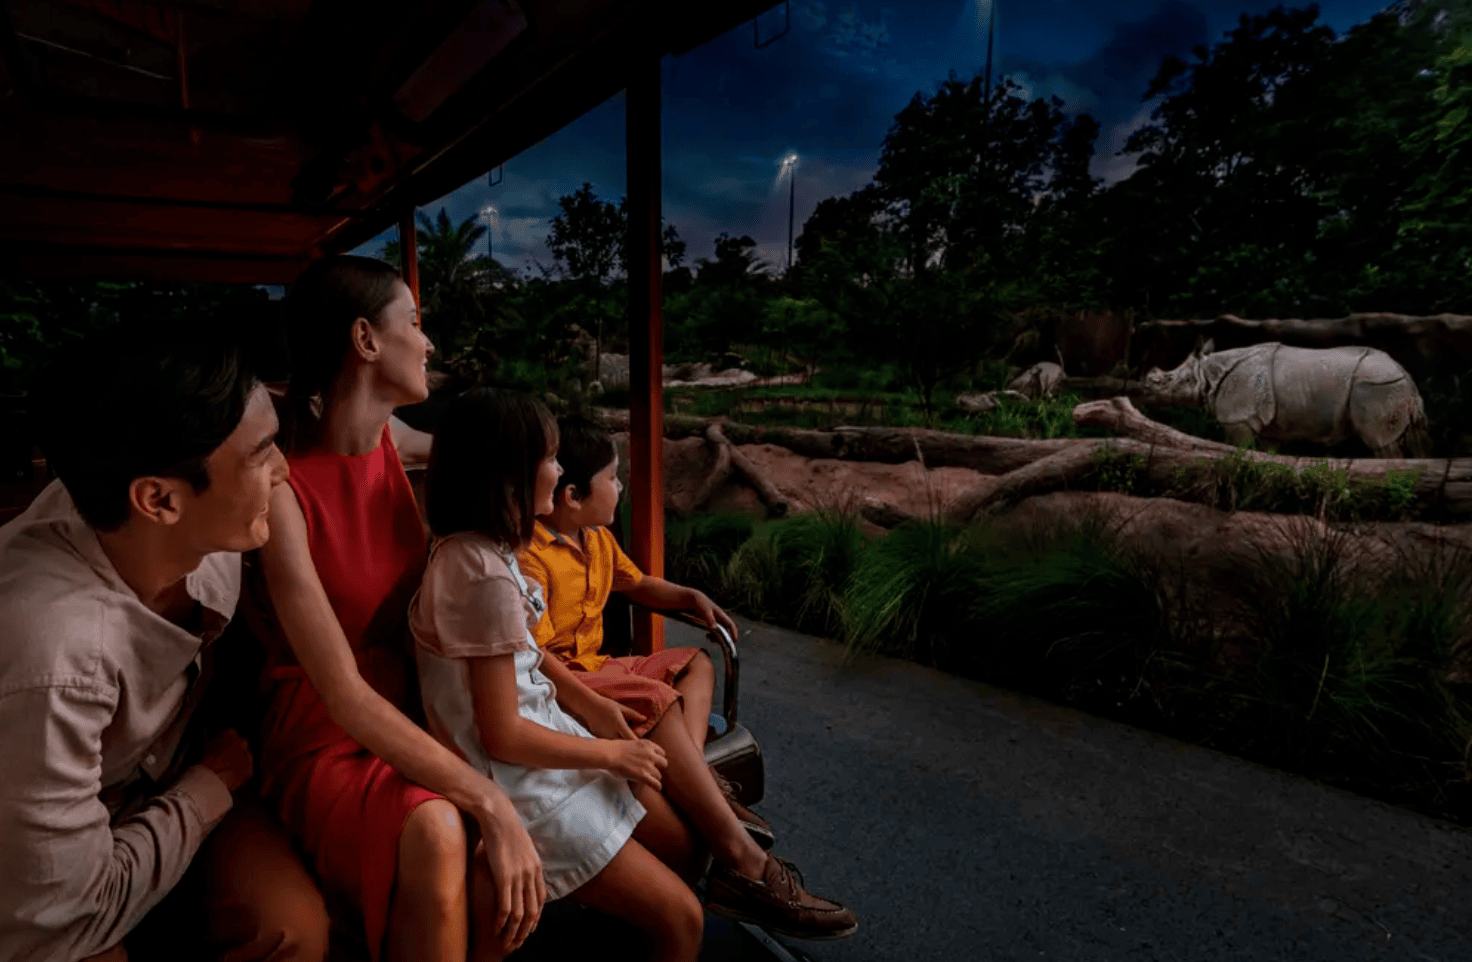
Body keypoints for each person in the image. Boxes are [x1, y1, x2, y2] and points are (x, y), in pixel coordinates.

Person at [411, 388, 859, 955]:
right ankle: (734, 870)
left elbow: (525, 676)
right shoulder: (485, 575)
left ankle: (713, 860)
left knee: (687, 849)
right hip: (522, 782)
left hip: (544, 743)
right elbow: (503, 730)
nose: (556, 469)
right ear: (512, 476)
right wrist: (611, 754)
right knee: (683, 922)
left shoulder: (482, 554)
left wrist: (599, 717)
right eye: (549, 459)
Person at [0, 318, 330, 962]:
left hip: (166, 779)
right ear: (159, 499)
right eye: (263, 452)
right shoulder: (52, 656)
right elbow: (66, 913)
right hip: (45, 857)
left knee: (291, 929)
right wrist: (205, 788)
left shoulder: (188, 524)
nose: (286, 471)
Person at [243, 256, 543, 962]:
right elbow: (341, 693)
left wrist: (544, 464)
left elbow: (471, 454)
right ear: (365, 340)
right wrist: (487, 802)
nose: (428, 341)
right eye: (414, 321)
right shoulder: (282, 491)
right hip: (324, 729)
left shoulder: (386, 438)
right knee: (445, 826)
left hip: (413, 703)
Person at [516, 415, 770, 845]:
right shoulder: (530, 557)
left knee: (695, 663)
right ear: (573, 496)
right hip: (566, 682)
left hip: (601, 667)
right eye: (612, 478)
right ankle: (701, 791)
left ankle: (692, 778)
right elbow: (532, 654)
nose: (620, 487)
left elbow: (637, 584)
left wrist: (689, 596)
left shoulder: (596, 538)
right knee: (659, 697)